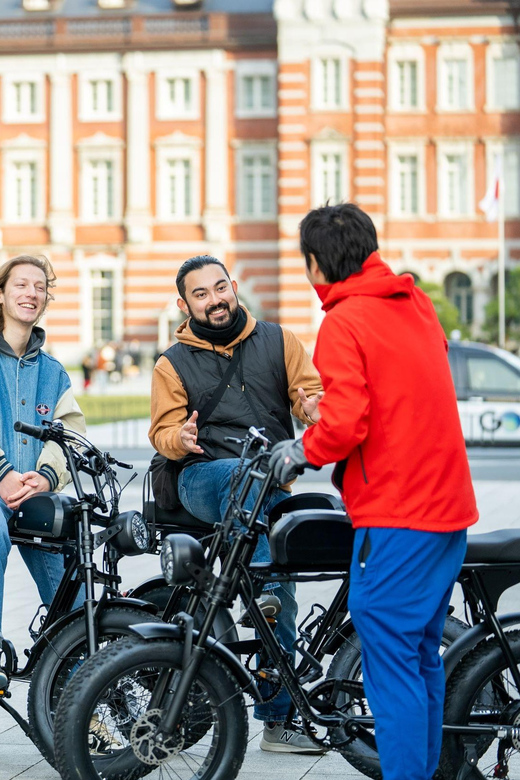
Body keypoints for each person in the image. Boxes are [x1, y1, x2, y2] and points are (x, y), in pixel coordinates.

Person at [270, 203, 479, 780]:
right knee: (418, 655)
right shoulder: (414, 303)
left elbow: (345, 425)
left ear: (317, 264)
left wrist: (297, 450)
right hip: (446, 508)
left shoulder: (344, 321)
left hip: (398, 511)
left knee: (388, 660)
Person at [149, 254, 324, 753]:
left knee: (280, 608)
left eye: (220, 288)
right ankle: (266, 581)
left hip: (266, 489)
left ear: (234, 285)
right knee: (270, 563)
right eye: (200, 294)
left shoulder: (280, 340)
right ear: (185, 305)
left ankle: (277, 722)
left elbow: (308, 395)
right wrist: (179, 438)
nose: (215, 300)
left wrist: (313, 408)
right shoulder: (171, 362)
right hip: (201, 478)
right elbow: (161, 431)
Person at [0, 255, 86, 629]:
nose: (31, 293)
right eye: (20, 284)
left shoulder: (54, 372)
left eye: (40, 287)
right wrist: (2, 472)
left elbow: (70, 433)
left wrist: (47, 476)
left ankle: (81, 675)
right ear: (1, 294)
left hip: (33, 493)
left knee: (73, 577)